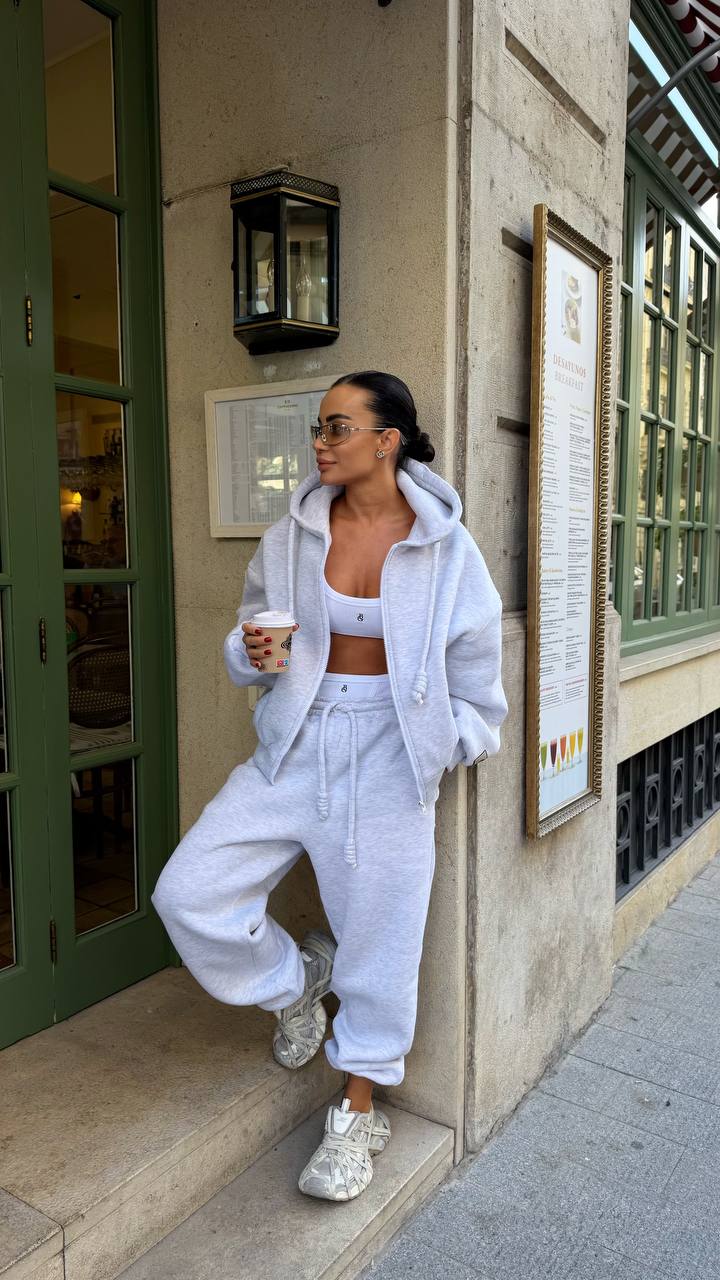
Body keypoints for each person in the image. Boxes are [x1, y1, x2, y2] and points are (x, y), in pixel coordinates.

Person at [150, 370, 509, 1203]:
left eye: (338, 427)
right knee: (190, 891)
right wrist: (249, 654)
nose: (320, 442)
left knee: (382, 939)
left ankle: (358, 1112)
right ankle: (296, 983)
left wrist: (442, 743)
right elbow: (250, 647)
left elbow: (478, 679)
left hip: (392, 754)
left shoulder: (447, 549)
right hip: (295, 747)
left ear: (387, 441)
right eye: (318, 427)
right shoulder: (290, 536)